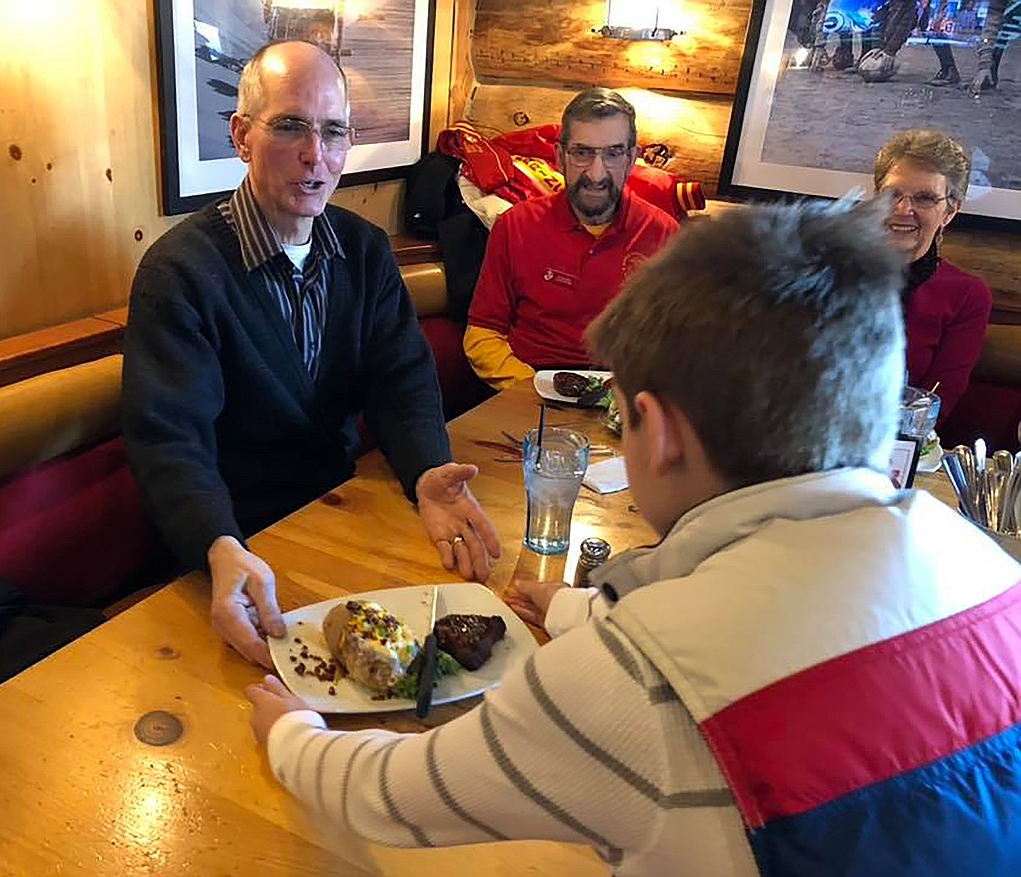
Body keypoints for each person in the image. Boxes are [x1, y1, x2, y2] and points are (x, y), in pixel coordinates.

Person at [244, 198, 1021, 875]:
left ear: (659, 432)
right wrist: (573, 608)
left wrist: (292, 734)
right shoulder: (984, 561)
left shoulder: (634, 676)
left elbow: (393, 797)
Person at [122, 41, 500, 669]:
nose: (314, 155)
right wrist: (218, 543)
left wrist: (427, 471)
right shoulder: (180, 272)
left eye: (332, 132)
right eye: (290, 126)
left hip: (335, 516)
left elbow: (401, 378)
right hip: (228, 553)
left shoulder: (364, 250)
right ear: (242, 136)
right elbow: (170, 439)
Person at [462, 89, 678, 390]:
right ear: (560, 156)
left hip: (619, 401)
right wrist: (531, 389)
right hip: (527, 390)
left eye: (613, 153)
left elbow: (674, 348)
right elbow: (483, 333)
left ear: (631, 159)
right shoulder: (515, 225)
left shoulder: (664, 234)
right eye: (582, 153)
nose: (596, 173)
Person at [874, 129, 992, 425]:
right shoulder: (828, 271)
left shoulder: (967, 296)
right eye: (892, 195)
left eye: (925, 198)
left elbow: (934, 405)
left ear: (950, 211)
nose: (903, 210)